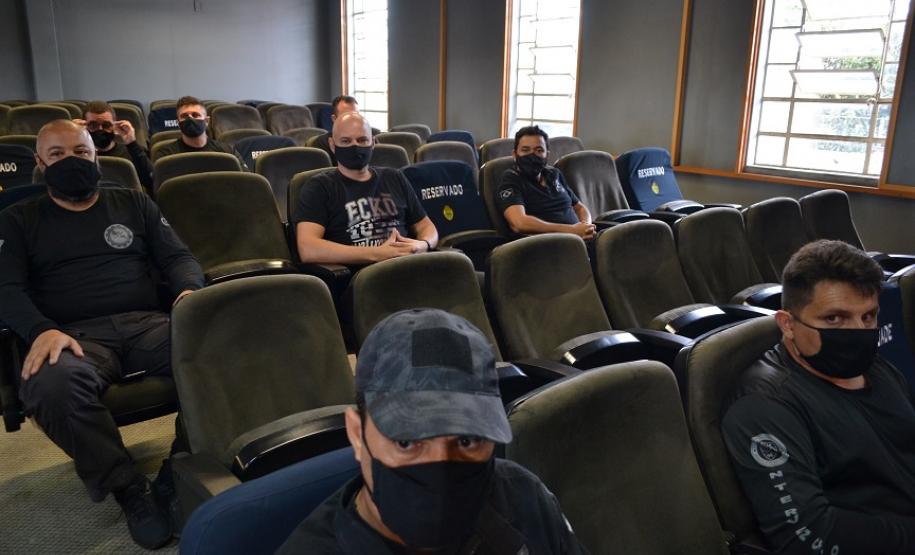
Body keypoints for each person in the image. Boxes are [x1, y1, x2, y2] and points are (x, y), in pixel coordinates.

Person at [0, 119, 205, 549]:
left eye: (80, 152)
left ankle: (180, 464)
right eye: (57, 154)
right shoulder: (18, 219)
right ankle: (127, 486)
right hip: (72, 336)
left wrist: (189, 293)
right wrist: (41, 330)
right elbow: (6, 288)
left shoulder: (133, 202)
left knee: (216, 349)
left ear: (96, 155)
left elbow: (178, 258)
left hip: (146, 323)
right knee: (50, 385)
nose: (71, 161)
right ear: (40, 162)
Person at [277, 308, 587, 554]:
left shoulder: (522, 497)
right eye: (407, 441)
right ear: (357, 435)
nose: (441, 470)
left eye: (467, 440)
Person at [721, 240, 915, 555]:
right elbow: (806, 536)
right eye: (834, 319)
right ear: (788, 324)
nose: (858, 332)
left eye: (868, 317)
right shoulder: (765, 406)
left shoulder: (875, 368)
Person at [294, 111, 438, 267]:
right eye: (345, 141)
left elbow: (426, 226)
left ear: (373, 143)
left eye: (362, 140)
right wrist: (378, 254)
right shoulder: (319, 187)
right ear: (332, 145)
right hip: (361, 275)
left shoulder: (394, 177)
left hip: (409, 266)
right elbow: (308, 248)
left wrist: (423, 244)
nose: (355, 146)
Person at [496, 125, 595, 240]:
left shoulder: (554, 174)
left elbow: (580, 207)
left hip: (580, 239)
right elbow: (519, 223)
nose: (532, 155)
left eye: (539, 150)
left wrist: (586, 227)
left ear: (547, 155)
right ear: (515, 154)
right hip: (548, 244)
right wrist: (572, 230)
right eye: (525, 150)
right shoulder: (510, 179)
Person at [74, 100, 154, 193]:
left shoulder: (132, 151)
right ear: (84, 125)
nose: (100, 129)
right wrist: (72, 136)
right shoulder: (77, 154)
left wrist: (132, 143)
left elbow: (151, 181)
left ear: (114, 125)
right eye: (93, 125)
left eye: (106, 125)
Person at [152, 96, 247, 169]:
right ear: (178, 123)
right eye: (184, 116)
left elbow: (245, 180)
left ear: (206, 121)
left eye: (195, 115)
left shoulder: (227, 151)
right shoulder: (166, 155)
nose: (190, 118)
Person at [311, 95, 380, 165]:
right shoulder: (320, 144)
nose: (352, 120)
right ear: (334, 119)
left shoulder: (369, 140)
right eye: (346, 116)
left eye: (355, 115)